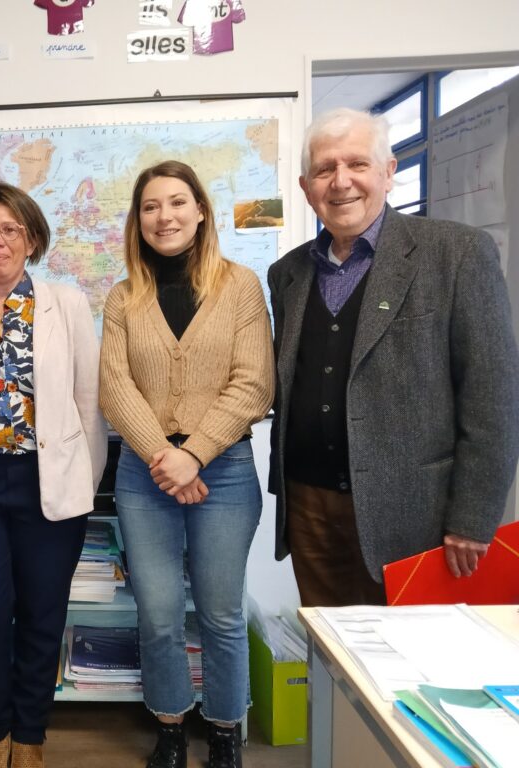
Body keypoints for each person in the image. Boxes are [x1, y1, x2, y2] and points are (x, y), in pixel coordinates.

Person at [269, 108, 519, 608]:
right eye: (324, 169)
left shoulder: (456, 254)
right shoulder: (287, 274)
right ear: (306, 187)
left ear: (388, 172)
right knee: (329, 647)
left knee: (412, 651)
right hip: (309, 508)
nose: (341, 181)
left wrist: (472, 517)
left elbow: (493, 396)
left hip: (415, 515)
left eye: (357, 164)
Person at [100, 161, 274, 768]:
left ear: (201, 210)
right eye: (150, 206)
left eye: (177, 202)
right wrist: (165, 458)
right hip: (145, 476)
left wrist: (193, 454)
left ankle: (224, 731)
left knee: (221, 613)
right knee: (158, 614)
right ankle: (170, 726)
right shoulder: (124, 297)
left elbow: (255, 383)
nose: (164, 216)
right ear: (138, 220)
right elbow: (114, 387)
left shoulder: (241, 286)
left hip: (223, 472)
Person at [0, 182, 107, 768]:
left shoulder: (66, 304)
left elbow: (88, 403)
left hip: (47, 482)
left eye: (9, 229)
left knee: (41, 612)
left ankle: (29, 733)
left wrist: (81, 482)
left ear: (31, 238)